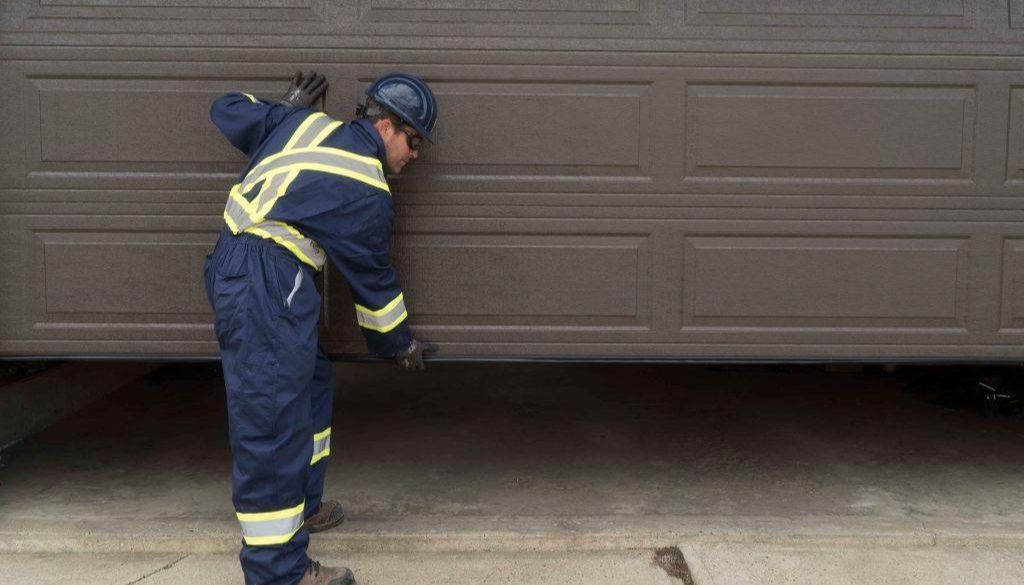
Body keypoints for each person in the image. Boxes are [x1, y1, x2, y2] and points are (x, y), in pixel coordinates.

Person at [203, 70, 439, 585]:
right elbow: (373, 284)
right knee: (272, 426)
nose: (414, 156)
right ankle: (278, 572)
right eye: (414, 140)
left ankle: (303, 506)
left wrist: (282, 106)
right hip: (265, 280)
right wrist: (400, 345)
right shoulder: (367, 188)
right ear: (386, 126)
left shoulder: (301, 123)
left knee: (309, 387)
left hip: (252, 275)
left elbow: (226, 109)